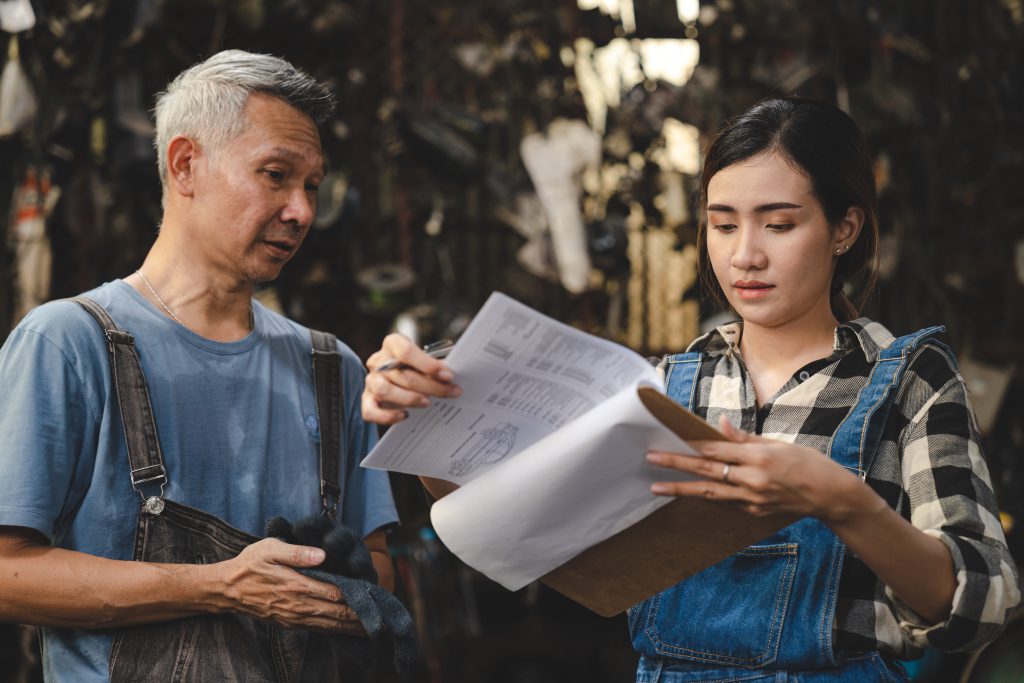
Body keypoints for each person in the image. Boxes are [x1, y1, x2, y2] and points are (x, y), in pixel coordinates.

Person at [360, 97, 1020, 681]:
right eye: (724, 222)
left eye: (779, 224)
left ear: (845, 228)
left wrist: (842, 501)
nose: (744, 255)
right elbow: (508, 488)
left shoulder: (908, 380)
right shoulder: (662, 389)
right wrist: (426, 389)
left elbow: (984, 603)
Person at [0, 50, 399, 682]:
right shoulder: (68, 344)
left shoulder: (334, 370)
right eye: (275, 175)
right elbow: (7, 572)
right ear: (186, 165)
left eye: (313, 186)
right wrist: (220, 586)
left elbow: (378, 562)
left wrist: (348, 585)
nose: (301, 211)